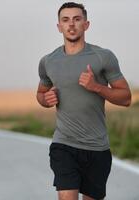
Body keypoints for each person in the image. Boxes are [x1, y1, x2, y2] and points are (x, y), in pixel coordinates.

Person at [36, 2, 132, 200]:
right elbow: (40, 93)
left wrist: (96, 87)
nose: (71, 24)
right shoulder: (48, 61)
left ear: (86, 24)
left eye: (77, 19)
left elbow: (126, 98)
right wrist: (46, 100)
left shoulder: (103, 57)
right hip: (64, 144)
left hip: (97, 148)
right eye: (66, 20)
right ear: (59, 26)